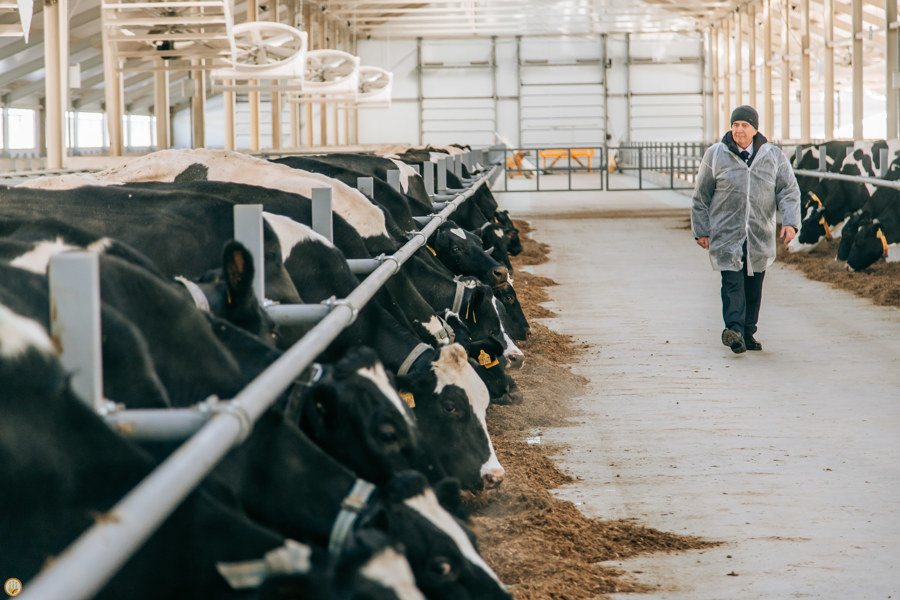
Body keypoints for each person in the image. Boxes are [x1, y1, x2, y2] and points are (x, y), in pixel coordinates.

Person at [691, 105, 801, 354]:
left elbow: (788, 190)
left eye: (744, 125)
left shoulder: (772, 156)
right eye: (735, 124)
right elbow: (701, 195)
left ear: (755, 129)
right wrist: (702, 230)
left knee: (754, 285)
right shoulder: (716, 155)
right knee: (731, 283)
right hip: (726, 233)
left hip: (759, 232)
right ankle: (734, 330)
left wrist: (791, 222)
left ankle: (747, 332)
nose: (739, 130)